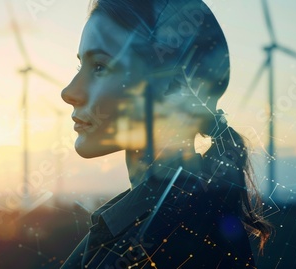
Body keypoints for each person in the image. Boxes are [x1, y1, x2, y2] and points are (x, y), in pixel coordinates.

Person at [60, 0, 273, 268]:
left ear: (174, 85)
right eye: (81, 66)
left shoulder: (170, 243)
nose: (69, 92)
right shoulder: (172, 220)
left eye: (100, 67)